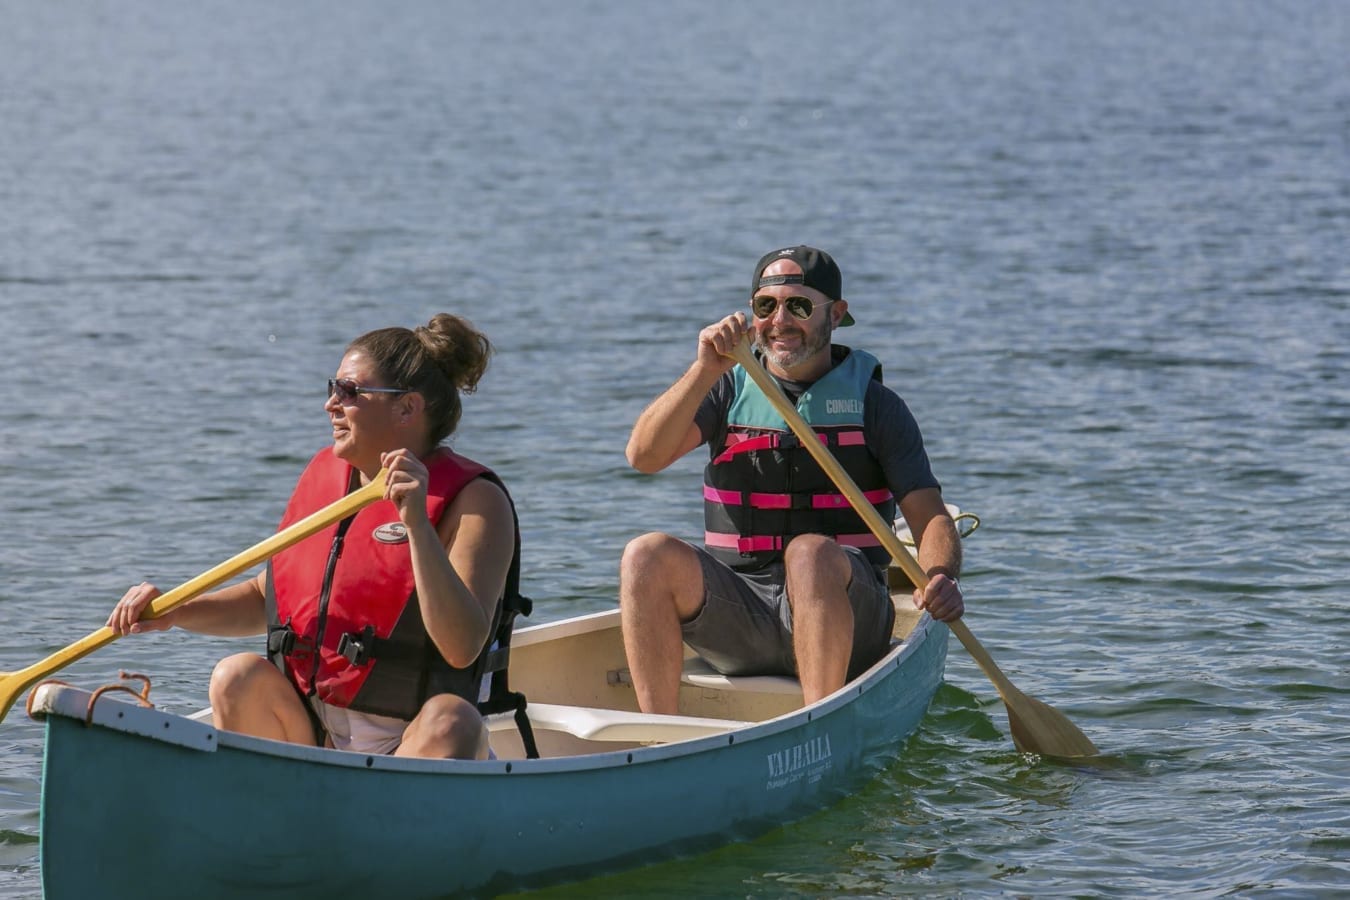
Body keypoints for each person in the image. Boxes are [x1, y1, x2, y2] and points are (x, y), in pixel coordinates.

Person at [108, 314, 520, 760]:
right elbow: (263, 599)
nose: (330, 405)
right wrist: (173, 612)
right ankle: (281, 810)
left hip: (418, 741)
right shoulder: (327, 480)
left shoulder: (476, 501)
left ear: (407, 408)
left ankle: (392, 820)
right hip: (318, 730)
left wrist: (418, 524)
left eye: (348, 391)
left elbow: (462, 648)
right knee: (237, 675)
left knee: (452, 720)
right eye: (332, 389)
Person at [620, 245, 965, 715]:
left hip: (849, 615)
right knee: (646, 555)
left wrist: (941, 575)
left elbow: (931, 520)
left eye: (799, 306)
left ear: (836, 314)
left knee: (810, 552)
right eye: (766, 306)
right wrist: (704, 369)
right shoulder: (724, 390)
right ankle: (658, 736)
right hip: (744, 615)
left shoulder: (878, 406)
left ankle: (819, 724)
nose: (780, 320)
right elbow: (644, 455)